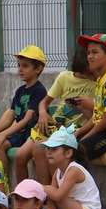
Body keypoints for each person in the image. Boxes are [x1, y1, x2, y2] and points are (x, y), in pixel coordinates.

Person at [26, 47, 95, 185]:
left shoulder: (97, 83)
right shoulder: (64, 77)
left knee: (47, 152)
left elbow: (97, 116)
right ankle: (42, 195)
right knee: (32, 151)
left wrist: (84, 107)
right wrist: (43, 114)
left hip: (73, 131)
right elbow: (44, 103)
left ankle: (54, 193)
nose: (83, 76)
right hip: (56, 127)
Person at [0, 45, 48, 184]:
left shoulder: (39, 90)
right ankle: (3, 185)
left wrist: (3, 135)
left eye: (25, 66)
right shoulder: (20, 90)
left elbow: (27, 119)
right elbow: (10, 117)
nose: (20, 69)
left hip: (34, 132)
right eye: (19, 65)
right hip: (20, 132)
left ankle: (24, 191)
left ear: (38, 69)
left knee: (20, 157)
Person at [41, 126, 102, 209]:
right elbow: (50, 196)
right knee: (48, 197)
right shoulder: (58, 171)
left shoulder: (74, 170)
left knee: (56, 196)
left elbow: (58, 195)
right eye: (48, 149)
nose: (49, 152)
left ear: (68, 153)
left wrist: (40, 187)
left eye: (54, 149)